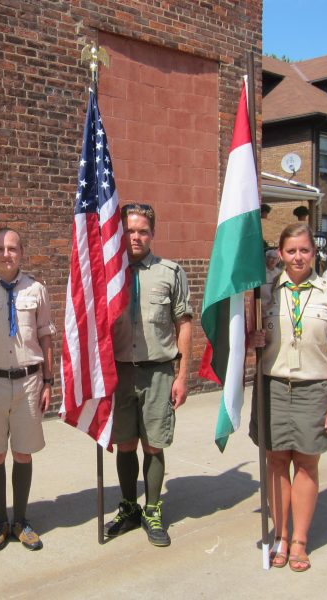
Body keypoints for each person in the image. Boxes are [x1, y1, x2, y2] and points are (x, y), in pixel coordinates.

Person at [248, 222, 327, 572]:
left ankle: (299, 541)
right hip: (274, 387)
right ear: (280, 253)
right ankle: (281, 534)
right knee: (276, 462)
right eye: (291, 251)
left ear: (314, 252)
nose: (297, 257)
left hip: (314, 389)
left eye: (304, 250)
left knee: (307, 464)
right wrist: (253, 337)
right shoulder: (264, 292)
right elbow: (248, 337)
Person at [103, 203, 193, 547]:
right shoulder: (108, 274)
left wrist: (182, 376)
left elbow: (184, 324)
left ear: (152, 234)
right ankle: (129, 507)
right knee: (125, 444)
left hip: (158, 372)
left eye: (142, 230)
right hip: (120, 372)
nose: (136, 236)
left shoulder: (170, 272)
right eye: (130, 230)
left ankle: (152, 509)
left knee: (154, 444)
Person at [0, 228, 55, 552]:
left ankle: (21, 520)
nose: (7, 254)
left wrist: (48, 381)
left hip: (29, 382)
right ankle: (0, 522)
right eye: (1, 248)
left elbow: (45, 336)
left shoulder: (36, 290)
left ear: (21, 253)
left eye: (13, 248)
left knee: (23, 452)